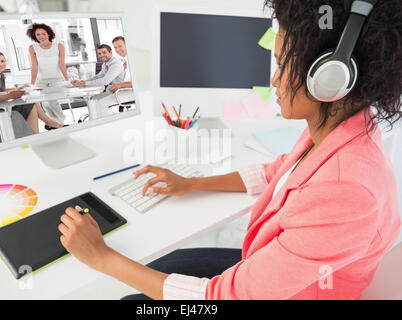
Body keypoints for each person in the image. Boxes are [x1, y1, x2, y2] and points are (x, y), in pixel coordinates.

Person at [58, 0, 402, 300]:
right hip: (267, 267)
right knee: (153, 269)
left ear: (330, 78)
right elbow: (278, 173)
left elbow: (226, 296)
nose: (274, 81)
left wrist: (101, 257)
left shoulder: (348, 191)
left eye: (282, 65)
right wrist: (192, 184)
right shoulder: (341, 127)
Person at [0, 51, 64, 133]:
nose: (0, 64)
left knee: (30, 103)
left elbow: (1, 90)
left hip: (2, 106)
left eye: (2, 61)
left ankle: (38, 132)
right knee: (30, 104)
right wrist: (10, 94)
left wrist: (17, 89)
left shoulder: (2, 76)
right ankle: (49, 124)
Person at [27, 23, 69, 125]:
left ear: (49, 34)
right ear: (34, 36)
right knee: (46, 103)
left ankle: (59, 122)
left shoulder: (59, 46)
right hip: (41, 81)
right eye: (38, 35)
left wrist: (67, 81)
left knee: (53, 102)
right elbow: (34, 67)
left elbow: (62, 64)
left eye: (43, 34)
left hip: (56, 80)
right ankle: (53, 123)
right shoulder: (33, 47)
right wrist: (31, 85)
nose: (41, 37)